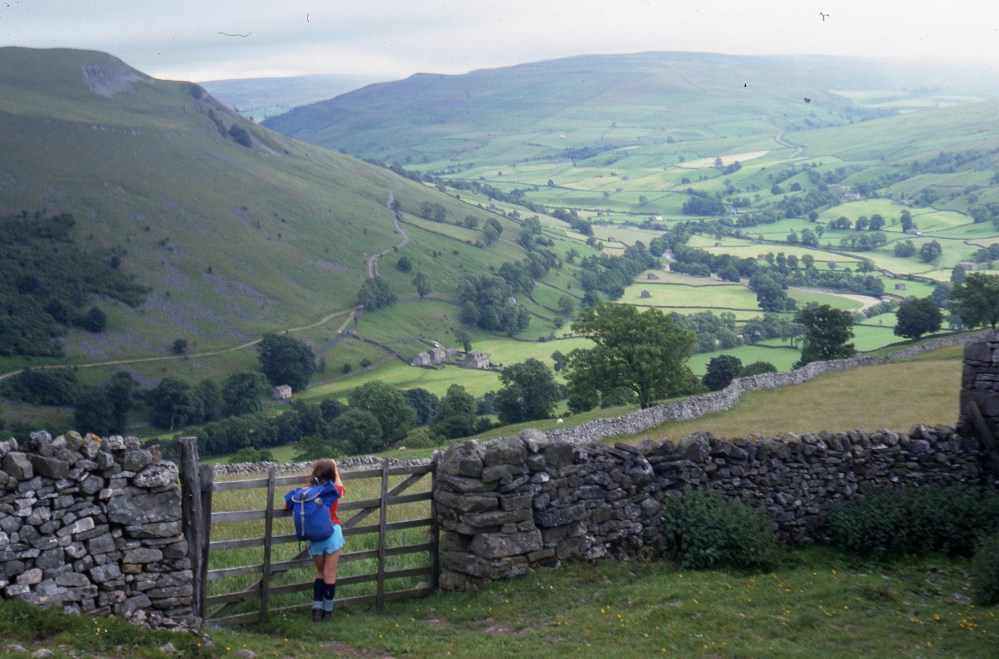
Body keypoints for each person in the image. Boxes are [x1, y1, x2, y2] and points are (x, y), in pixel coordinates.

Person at [291, 458, 345, 622]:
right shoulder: (334, 489)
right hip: (332, 532)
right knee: (330, 574)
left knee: (320, 572)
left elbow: (292, 501)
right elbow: (340, 488)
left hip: (314, 536)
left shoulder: (307, 490)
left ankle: (316, 610)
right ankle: (327, 612)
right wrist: (334, 466)